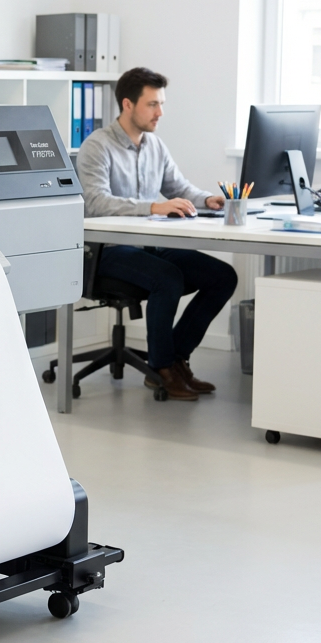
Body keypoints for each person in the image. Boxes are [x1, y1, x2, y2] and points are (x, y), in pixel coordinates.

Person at [77, 67, 238, 401]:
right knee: (168, 278)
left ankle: (175, 358)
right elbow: (94, 202)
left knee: (222, 276)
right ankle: (161, 370)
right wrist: (152, 206)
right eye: (152, 104)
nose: (160, 113)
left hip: (148, 245)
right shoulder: (97, 146)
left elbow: (178, 187)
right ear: (127, 104)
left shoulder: (155, 145)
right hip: (106, 251)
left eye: (161, 104)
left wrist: (207, 198)